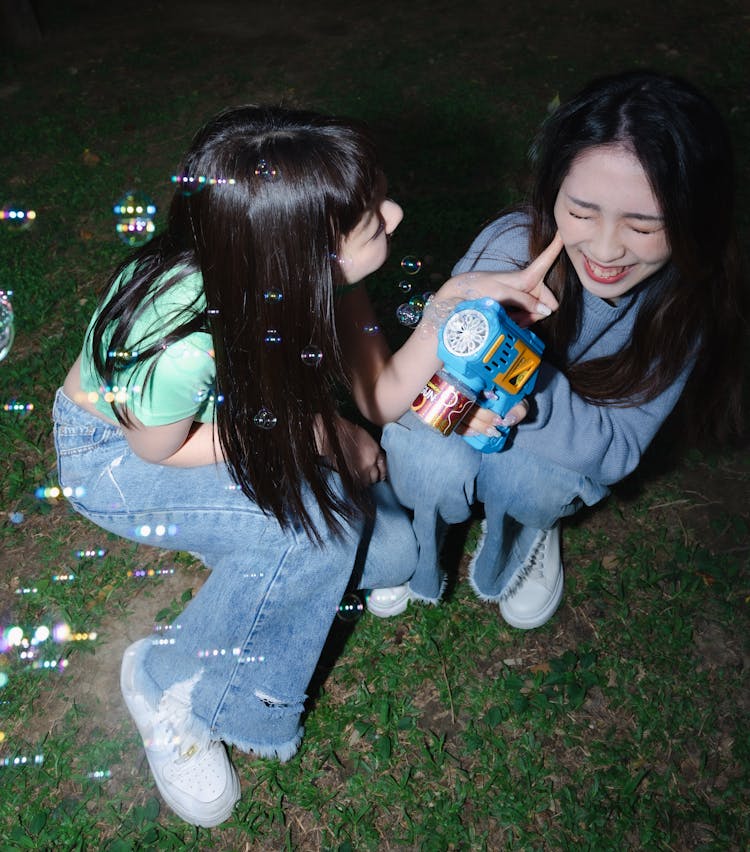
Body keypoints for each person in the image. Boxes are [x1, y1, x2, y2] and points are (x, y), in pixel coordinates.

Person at [53, 105, 558, 828]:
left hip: (215, 434)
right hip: (116, 459)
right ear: (304, 248)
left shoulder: (301, 265)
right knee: (311, 535)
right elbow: (155, 448)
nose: (394, 211)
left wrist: (445, 309)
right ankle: (170, 681)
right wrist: (314, 429)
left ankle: (246, 542)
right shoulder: (184, 335)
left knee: (388, 556)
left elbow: (382, 397)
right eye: (372, 218)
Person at [368, 70, 745, 629]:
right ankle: (419, 534)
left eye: (643, 226)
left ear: (694, 220)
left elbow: (616, 451)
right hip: (466, 423)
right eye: (583, 212)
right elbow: (413, 396)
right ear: (552, 190)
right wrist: (454, 407)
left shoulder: (682, 308)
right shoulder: (507, 250)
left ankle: (525, 528)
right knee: (426, 458)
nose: (606, 248)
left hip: (557, 450)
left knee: (530, 480)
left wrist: (527, 380)